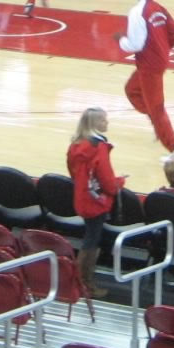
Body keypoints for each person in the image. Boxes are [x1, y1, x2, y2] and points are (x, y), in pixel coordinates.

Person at [118, 0, 174, 163]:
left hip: (149, 65)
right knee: (131, 90)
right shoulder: (159, 8)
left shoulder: (137, 12)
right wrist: (163, 48)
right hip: (157, 61)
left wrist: (120, 41)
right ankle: (156, 122)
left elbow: (136, 44)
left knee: (157, 108)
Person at [67, 107, 125, 300]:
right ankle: (84, 283)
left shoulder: (76, 145)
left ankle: (79, 281)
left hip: (82, 197)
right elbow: (108, 182)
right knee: (91, 242)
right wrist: (119, 182)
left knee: (90, 238)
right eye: (103, 120)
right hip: (96, 201)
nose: (107, 123)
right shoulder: (98, 147)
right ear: (94, 124)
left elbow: (73, 171)